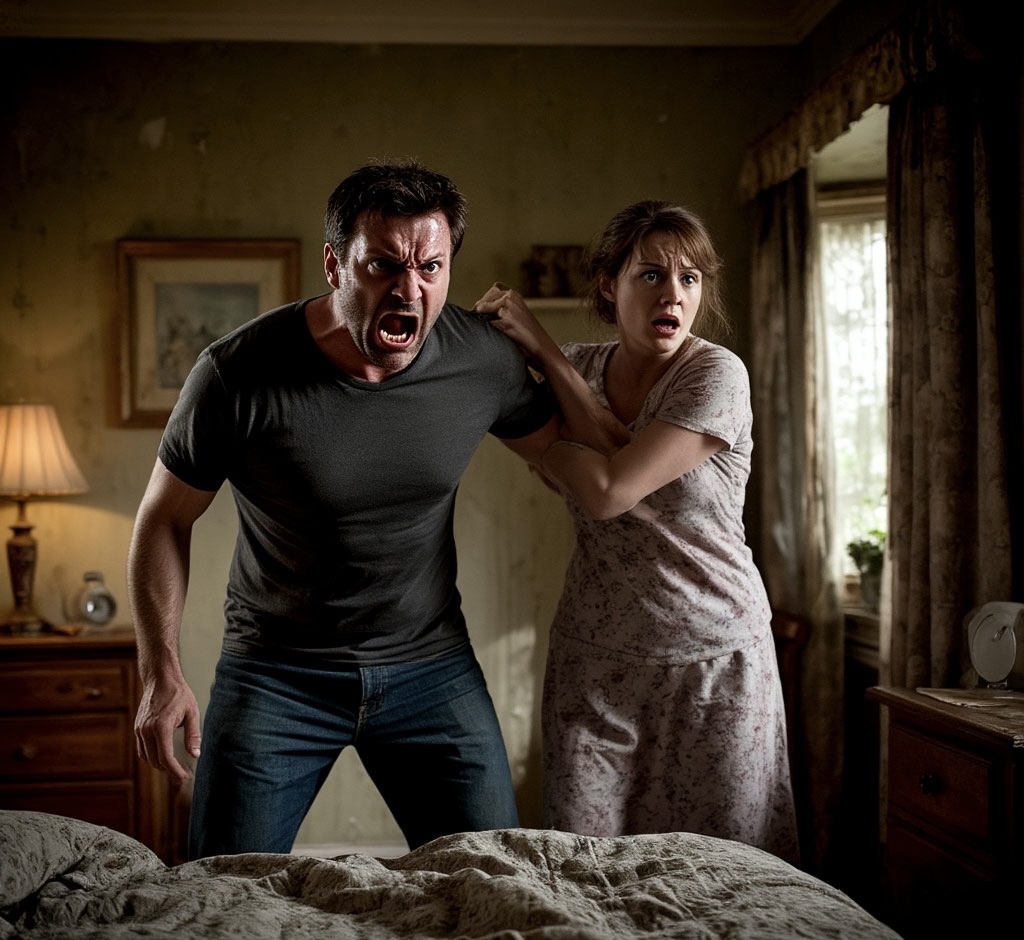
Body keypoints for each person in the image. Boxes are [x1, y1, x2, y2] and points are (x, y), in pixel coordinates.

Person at [128, 159, 566, 860]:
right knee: (223, 889)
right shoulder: (236, 374)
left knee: (495, 877)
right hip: (275, 675)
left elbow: (575, 466)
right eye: (383, 265)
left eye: (431, 267)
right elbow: (163, 519)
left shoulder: (482, 362)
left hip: (432, 669)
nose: (409, 288)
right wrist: (160, 672)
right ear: (335, 265)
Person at [474, 200, 800, 863]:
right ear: (608, 284)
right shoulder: (580, 368)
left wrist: (543, 353)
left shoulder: (716, 373)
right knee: (586, 867)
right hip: (597, 665)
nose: (672, 295)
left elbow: (612, 489)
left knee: (725, 872)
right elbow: (508, 413)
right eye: (651, 275)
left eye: (690, 278)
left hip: (716, 663)